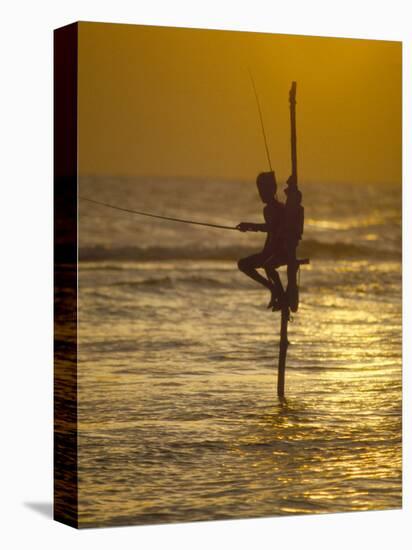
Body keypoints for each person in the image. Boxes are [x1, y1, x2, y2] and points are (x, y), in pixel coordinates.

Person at [237, 171, 288, 310]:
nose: (261, 194)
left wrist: (250, 226)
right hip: (270, 252)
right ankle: (272, 288)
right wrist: (264, 252)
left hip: (282, 252)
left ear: (272, 190)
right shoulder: (267, 210)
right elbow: (269, 234)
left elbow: (271, 229)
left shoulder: (280, 209)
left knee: (267, 265)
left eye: (264, 190)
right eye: (259, 190)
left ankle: (281, 295)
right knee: (243, 264)